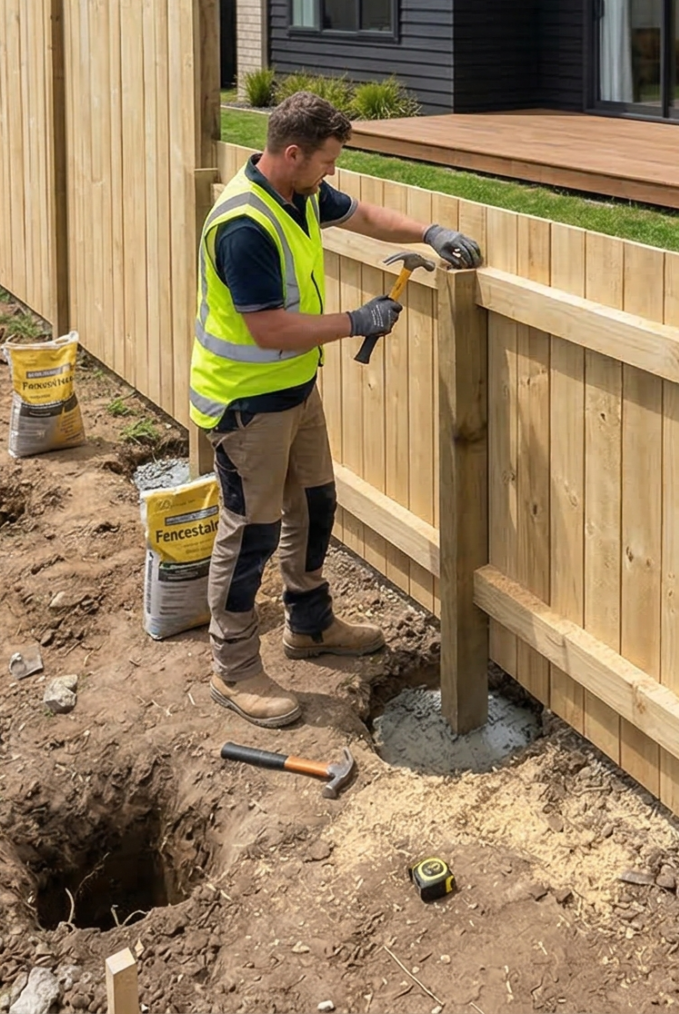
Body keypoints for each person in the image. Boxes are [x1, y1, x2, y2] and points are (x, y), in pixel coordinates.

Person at [188, 90, 483, 727]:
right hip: (245, 403)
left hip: (294, 389)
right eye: (327, 161)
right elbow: (268, 329)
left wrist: (430, 233)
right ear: (291, 153)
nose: (333, 174)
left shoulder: (300, 192)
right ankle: (233, 666)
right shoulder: (244, 225)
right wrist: (355, 320)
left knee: (316, 502)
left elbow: (365, 216)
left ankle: (310, 623)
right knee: (251, 532)